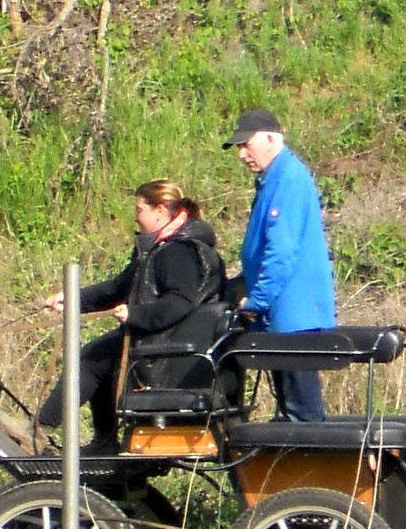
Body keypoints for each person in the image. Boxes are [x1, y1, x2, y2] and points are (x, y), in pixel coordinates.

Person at [36, 180, 225, 453]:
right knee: (97, 357)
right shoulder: (159, 248)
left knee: (89, 359)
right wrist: (72, 298)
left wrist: (136, 314)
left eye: (139, 210)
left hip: (166, 353)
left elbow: (179, 302)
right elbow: (118, 289)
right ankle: (102, 441)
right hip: (158, 342)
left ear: (159, 210)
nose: (136, 217)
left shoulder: (177, 251)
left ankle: (41, 430)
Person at [226, 109, 336, 422]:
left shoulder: (287, 178)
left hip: (293, 318)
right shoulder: (274, 179)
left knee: (302, 415)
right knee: (291, 411)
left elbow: (280, 252)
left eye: (246, 144)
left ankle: (313, 469)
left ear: (271, 139)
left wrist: (257, 301)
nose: (241, 153)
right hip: (284, 316)